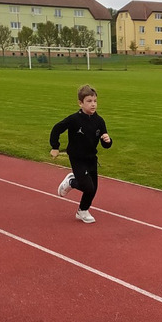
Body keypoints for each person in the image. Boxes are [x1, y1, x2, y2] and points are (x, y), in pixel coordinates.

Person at [50, 84, 112, 223]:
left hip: (91, 158)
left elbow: (105, 144)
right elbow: (57, 129)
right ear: (80, 103)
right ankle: (71, 182)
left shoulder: (99, 121)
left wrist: (107, 141)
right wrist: (55, 147)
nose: (93, 104)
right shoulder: (74, 119)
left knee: (93, 189)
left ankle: (82, 211)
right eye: (89, 101)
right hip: (77, 157)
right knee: (87, 186)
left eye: (95, 101)